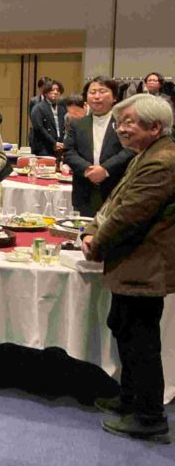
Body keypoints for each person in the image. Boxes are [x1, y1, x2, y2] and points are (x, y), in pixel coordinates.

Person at [81, 93, 175, 444]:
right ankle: (130, 398)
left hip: (145, 263)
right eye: (120, 123)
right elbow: (114, 203)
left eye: (129, 123)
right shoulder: (146, 154)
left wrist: (96, 245)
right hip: (133, 262)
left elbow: (128, 216)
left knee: (141, 341)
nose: (120, 129)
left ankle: (150, 417)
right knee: (123, 327)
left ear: (155, 127)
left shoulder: (162, 162)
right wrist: (90, 229)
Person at [63, 77, 135, 217]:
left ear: (114, 97)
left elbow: (130, 149)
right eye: (92, 92)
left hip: (116, 189)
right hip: (84, 190)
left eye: (102, 91)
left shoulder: (124, 123)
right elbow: (68, 152)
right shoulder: (77, 124)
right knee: (82, 228)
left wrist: (105, 169)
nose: (96, 96)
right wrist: (88, 169)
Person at [29, 79, 66, 157]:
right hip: (43, 148)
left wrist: (61, 143)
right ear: (46, 92)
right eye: (52, 90)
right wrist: (53, 143)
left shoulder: (62, 108)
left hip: (60, 146)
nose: (55, 92)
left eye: (58, 90)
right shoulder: (38, 108)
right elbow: (39, 128)